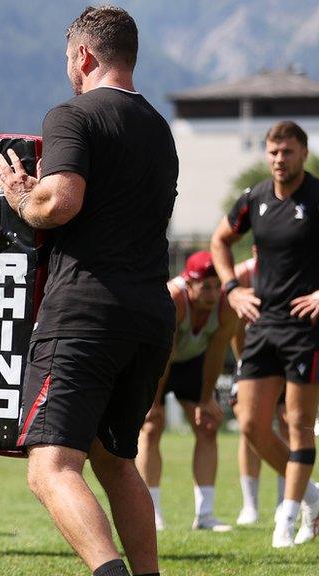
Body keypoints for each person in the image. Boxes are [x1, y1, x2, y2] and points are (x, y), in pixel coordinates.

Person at [0, 7, 176, 576]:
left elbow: (60, 202)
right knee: (116, 460)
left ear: (84, 56)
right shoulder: (159, 127)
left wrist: (23, 196)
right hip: (150, 314)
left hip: (86, 313)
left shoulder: (72, 115)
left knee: (50, 467)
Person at [210, 120, 319, 548]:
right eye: (273, 152)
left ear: (303, 153)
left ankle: (285, 521)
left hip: (305, 330)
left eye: (287, 152)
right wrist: (233, 290)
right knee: (251, 423)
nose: (279, 160)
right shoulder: (253, 198)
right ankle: (312, 496)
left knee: (298, 425)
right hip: (263, 325)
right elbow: (220, 242)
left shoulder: (317, 196)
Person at [135, 251, 238, 532]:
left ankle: (205, 515)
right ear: (188, 283)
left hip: (193, 362)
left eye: (217, 286)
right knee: (152, 427)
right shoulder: (173, 299)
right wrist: (153, 404)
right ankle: (151, 513)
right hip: (157, 360)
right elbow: (162, 354)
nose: (213, 293)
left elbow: (217, 353)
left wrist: (206, 400)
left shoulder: (227, 305)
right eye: (206, 287)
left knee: (207, 426)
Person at [229, 252, 291, 525]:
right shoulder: (242, 275)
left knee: (289, 422)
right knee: (250, 425)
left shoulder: (298, 266)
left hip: (291, 351)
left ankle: (287, 501)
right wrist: (244, 361)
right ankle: (250, 505)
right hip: (255, 356)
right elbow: (235, 327)